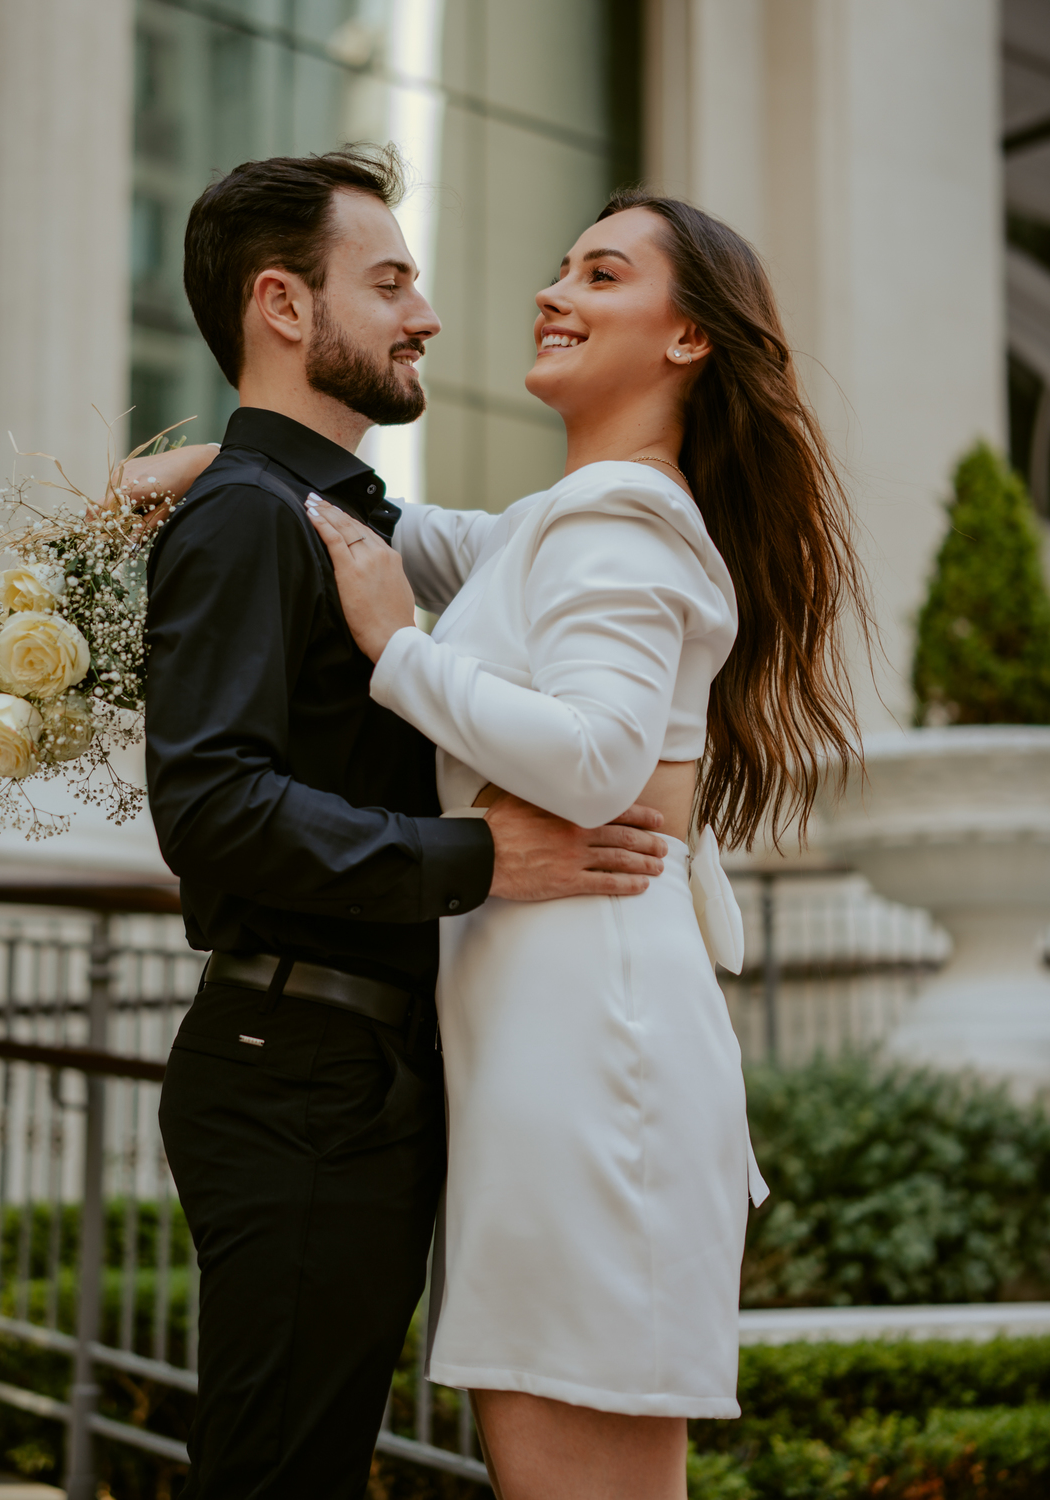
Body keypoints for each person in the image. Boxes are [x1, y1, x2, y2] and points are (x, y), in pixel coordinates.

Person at [303, 193, 873, 1499]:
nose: (553, 293)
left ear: (688, 338)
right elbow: (413, 535)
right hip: (570, 1051)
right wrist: (220, 470)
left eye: (602, 275)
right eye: (562, 268)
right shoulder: (575, 518)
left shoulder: (618, 517)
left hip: (590, 1066)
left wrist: (398, 650)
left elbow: (598, 757)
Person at [138, 149, 669, 1500]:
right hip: (297, 1069)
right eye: (389, 285)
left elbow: (494, 548)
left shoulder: (310, 510)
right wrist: (483, 859)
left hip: (352, 1071)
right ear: (284, 305)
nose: (426, 315)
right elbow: (212, 808)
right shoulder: (246, 522)